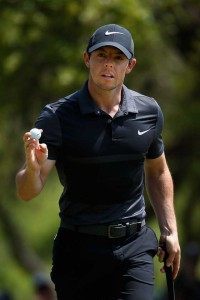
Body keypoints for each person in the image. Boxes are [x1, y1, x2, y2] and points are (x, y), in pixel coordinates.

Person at [16, 24, 181, 300]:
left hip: (134, 246)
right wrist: (32, 168)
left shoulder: (148, 112)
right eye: (101, 55)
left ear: (130, 65)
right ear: (86, 59)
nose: (108, 65)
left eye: (117, 58)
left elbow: (158, 169)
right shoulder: (57, 117)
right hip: (78, 250)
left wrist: (170, 229)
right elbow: (27, 191)